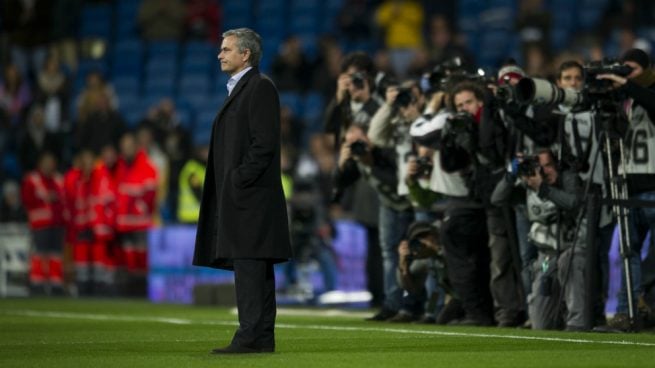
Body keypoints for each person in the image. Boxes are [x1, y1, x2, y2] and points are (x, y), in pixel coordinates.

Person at [193, 28, 292, 354]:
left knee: (250, 267)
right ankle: (261, 336)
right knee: (256, 267)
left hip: (250, 198)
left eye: (226, 49)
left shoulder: (259, 88)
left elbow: (263, 144)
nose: (220, 54)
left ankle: (250, 334)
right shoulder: (245, 89)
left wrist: (237, 179)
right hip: (247, 196)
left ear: (245, 54)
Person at [596, 47, 655, 331]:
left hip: (653, 186)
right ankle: (625, 313)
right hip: (627, 187)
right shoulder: (621, 100)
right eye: (623, 69)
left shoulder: (647, 93)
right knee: (626, 253)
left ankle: (647, 307)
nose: (625, 76)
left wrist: (628, 84)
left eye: (631, 69)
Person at [21, 152, 66, 295]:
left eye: (51, 162)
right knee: (39, 254)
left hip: (57, 224)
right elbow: (27, 200)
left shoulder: (59, 179)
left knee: (55, 255)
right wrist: (46, 198)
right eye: (46, 162)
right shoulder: (32, 179)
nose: (48, 165)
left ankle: (55, 283)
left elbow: (65, 200)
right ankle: (37, 284)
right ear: (40, 164)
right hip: (40, 224)